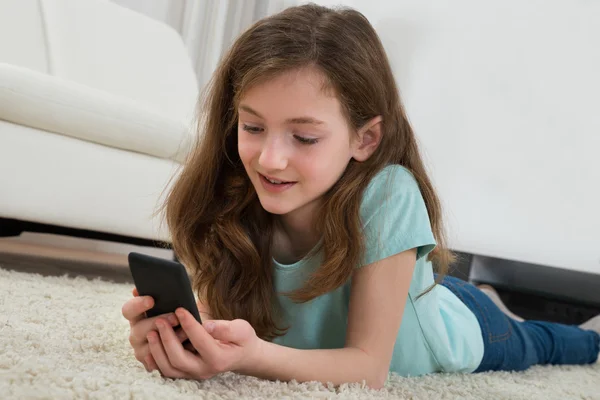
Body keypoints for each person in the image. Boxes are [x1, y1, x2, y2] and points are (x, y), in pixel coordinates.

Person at [121, 3, 600, 389]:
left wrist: (251, 358)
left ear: (365, 139)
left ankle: (576, 332)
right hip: (404, 290)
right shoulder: (232, 193)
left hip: (458, 333)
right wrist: (190, 331)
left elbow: (369, 370)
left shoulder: (389, 194)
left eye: (304, 138)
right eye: (252, 127)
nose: (269, 159)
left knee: (545, 342)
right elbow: (229, 315)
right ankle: (467, 292)